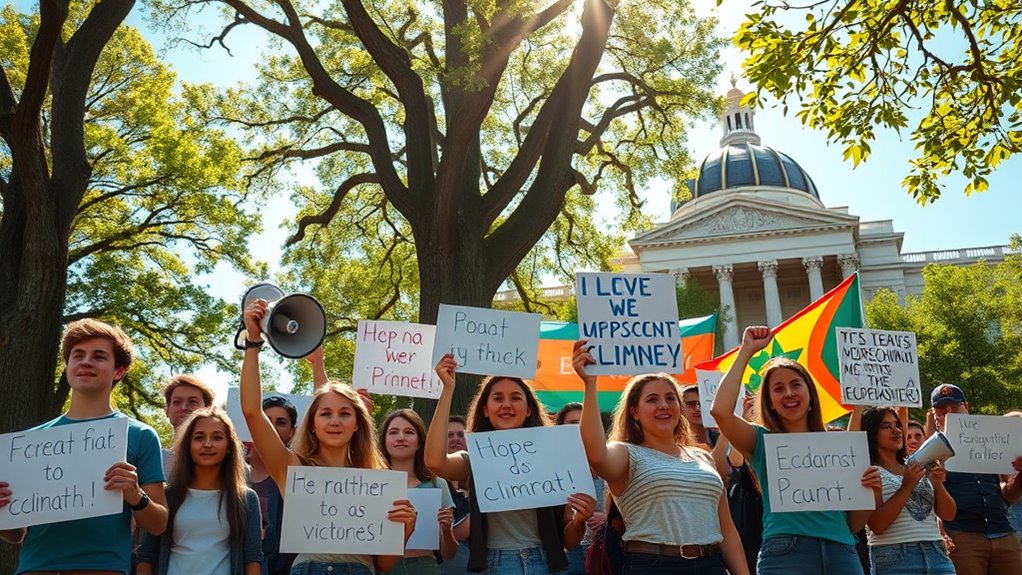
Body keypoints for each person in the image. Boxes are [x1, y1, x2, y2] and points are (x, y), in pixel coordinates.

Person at [240, 300, 416, 575]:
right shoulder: (292, 468)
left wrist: (405, 530)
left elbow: (383, 564)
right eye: (325, 414)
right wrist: (253, 342)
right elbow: (252, 411)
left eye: (345, 414)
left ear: (357, 424)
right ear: (312, 424)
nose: (335, 421)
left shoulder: (378, 480)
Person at [0, 318, 168, 574]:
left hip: (102, 569)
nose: (86, 362)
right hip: (34, 568)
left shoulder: (140, 435)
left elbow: (158, 524)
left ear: (119, 371)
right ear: (67, 367)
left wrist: (135, 495)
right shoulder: (28, 443)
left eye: (99, 356)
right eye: (78, 355)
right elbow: (15, 535)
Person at [709, 326, 881, 575]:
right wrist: (746, 351)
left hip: (842, 553)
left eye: (795, 385)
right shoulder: (760, 441)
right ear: (769, 402)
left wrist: (870, 493)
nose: (788, 393)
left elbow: (853, 523)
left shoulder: (839, 446)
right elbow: (721, 411)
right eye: (778, 388)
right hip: (786, 555)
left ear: (810, 394)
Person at [572, 341, 749, 575]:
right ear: (634, 412)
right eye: (652, 399)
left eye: (670, 398)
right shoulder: (626, 453)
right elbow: (596, 454)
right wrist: (590, 384)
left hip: (710, 565)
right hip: (652, 566)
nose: (664, 405)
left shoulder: (703, 457)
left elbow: (727, 530)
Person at [424, 354, 597, 574]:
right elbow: (434, 461)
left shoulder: (554, 456)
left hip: (547, 564)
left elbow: (570, 541)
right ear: (485, 410)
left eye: (515, 398)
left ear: (529, 409)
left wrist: (580, 522)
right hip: (496, 564)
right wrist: (447, 390)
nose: (506, 404)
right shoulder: (474, 459)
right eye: (497, 398)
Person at [138, 408, 262, 575]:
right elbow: (147, 554)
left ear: (229, 446)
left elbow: (253, 557)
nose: (207, 444)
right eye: (199, 437)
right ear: (188, 445)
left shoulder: (246, 499)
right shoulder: (166, 496)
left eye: (217, 437)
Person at [929, 384, 1022, 574]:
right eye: (941, 409)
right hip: (962, 536)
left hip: (1003, 532)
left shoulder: (993, 443)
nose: (949, 413)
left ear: (966, 407)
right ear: (934, 414)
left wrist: (1020, 477)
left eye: (955, 407)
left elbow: (1009, 497)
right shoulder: (931, 452)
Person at [860, 407, 956, 575]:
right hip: (895, 558)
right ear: (871, 433)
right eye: (886, 426)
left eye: (897, 425)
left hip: (936, 554)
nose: (896, 431)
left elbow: (949, 515)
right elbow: (877, 525)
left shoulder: (917, 465)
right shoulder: (869, 471)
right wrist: (907, 486)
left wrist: (938, 484)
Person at [380, 410, 458, 574]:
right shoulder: (371, 485)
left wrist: (446, 531)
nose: (401, 437)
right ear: (384, 440)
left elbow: (449, 554)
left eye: (409, 432)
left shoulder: (437, 485)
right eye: (393, 432)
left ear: (420, 442)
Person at [248, 395, 299, 575]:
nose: (271, 428)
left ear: (293, 431)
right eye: (266, 421)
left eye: (281, 422)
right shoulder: (230, 469)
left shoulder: (298, 473)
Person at [554, 402, 607, 575]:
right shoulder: (553, 468)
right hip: (572, 555)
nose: (579, 428)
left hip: (608, 552)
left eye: (584, 422)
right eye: (572, 423)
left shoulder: (611, 461)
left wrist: (608, 518)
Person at [162, 374, 216, 473]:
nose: (184, 407)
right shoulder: (153, 460)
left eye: (193, 402)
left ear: (208, 410)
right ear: (167, 410)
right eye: (177, 402)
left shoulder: (226, 463)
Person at [439, 416, 472, 575]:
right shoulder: (432, 482)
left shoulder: (483, 480)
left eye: (461, 434)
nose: (455, 439)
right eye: (449, 435)